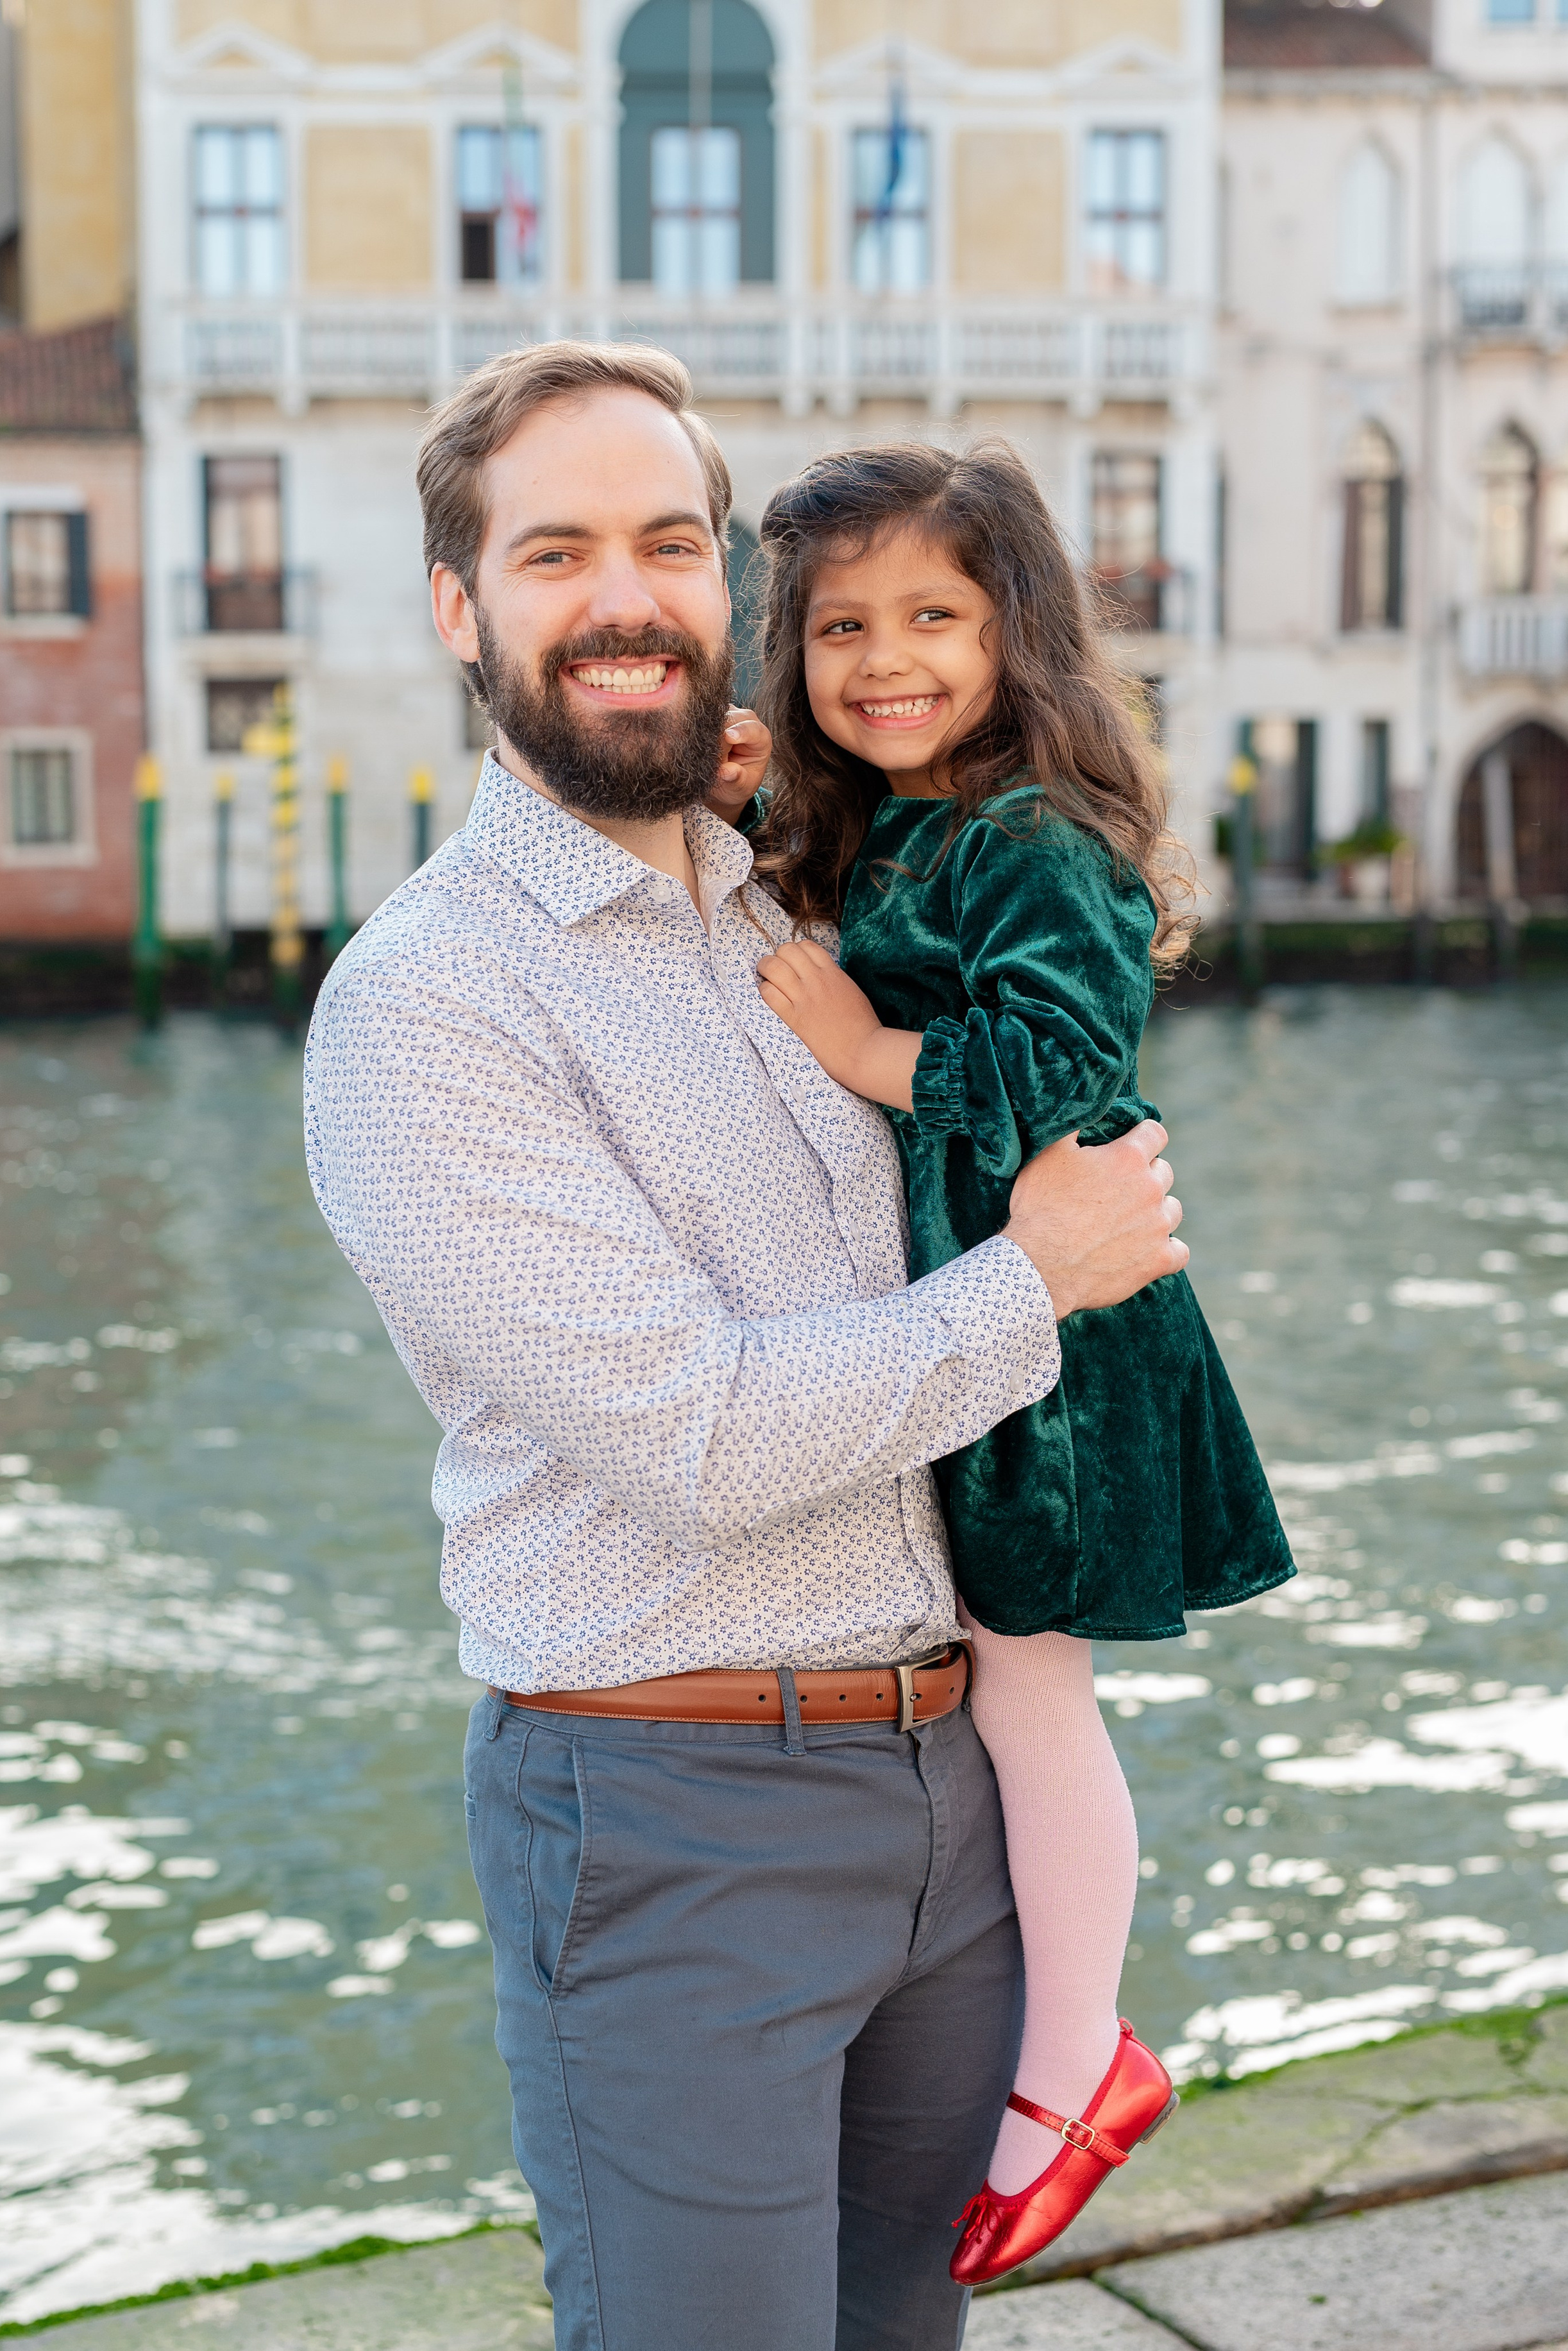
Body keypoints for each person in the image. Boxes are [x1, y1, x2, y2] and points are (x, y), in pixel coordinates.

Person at [303, 343, 1187, 2351]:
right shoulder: (426, 1005)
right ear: (462, 606)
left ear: (726, 593)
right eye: (556, 552)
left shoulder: (799, 891)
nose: (627, 596)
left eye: (671, 543)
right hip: (671, 1822)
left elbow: (1028, 1007)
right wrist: (1040, 1273)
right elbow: (691, 1438)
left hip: (949, 1796)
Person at [709, 439, 1294, 2287]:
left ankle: (1079, 2063)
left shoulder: (1040, 836)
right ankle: (1039, 2047)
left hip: (1065, 1344)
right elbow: (860, 896)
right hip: (996, 1324)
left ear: (1014, 628)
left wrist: (855, 1047)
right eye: (838, 629)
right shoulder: (910, 823)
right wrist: (754, 806)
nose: (885, 658)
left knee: (1037, 1696)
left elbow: (1053, 1071)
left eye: (934, 618)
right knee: (1003, 1689)